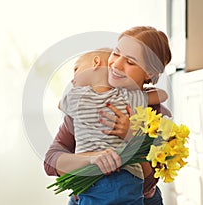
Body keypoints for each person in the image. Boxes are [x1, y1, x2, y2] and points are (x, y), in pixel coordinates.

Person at [44, 26, 172, 205]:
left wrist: (132, 137)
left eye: (130, 61)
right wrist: (92, 158)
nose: (116, 64)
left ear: (149, 72)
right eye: (116, 53)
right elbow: (51, 162)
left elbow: (151, 179)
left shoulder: (153, 111)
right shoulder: (86, 101)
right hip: (86, 197)